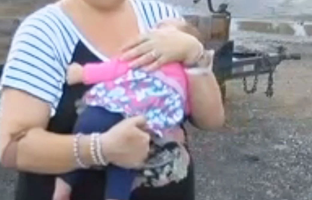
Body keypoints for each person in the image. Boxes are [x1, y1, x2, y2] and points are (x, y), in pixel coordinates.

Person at [0, 0, 225, 200]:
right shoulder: (45, 33)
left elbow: (211, 120)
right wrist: (101, 149)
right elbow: (12, 147)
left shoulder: (163, 20)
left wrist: (194, 54)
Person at [52, 18, 215, 200]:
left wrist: (194, 53)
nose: (154, 30)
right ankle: (63, 186)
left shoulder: (185, 69)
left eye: (163, 28)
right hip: (114, 106)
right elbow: (115, 69)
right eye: (155, 28)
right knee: (86, 128)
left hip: (141, 127)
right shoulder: (143, 56)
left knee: (128, 161)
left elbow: (193, 106)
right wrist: (83, 73)